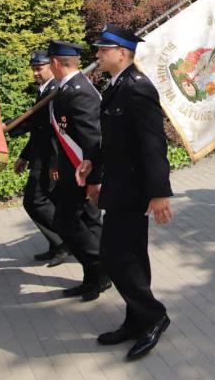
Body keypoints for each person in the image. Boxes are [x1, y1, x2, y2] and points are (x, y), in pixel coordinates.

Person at [78, 24, 172, 360]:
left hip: (134, 190)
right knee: (131, 255)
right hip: (119, 187)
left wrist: (160, 193)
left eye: (103, 50)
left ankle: (154, 315)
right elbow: (112, 139)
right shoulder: (116, 86)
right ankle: (136, 320)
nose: (98, 55)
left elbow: (154, 144)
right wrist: (92, 162)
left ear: (122, 53)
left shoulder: (138, 88)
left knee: (116, 256)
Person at [47, 40, 109, 301]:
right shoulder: (67, 88)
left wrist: (94, 179)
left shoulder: (79, 91)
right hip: (73, 170)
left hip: (82, 172)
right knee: (87, 223)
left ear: (54, 63)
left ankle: (102, 268)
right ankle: (93, 278)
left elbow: (93, 139)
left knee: (65, 222)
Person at [10, 51, 67, 266]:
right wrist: (24, 156)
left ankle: (65, 241)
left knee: (35, 201)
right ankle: (57, 244)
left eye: (39, 68)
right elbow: (38, 130)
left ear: (51, 66)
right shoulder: (44, 90)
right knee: (47, 201)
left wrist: (54, 163)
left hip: (50, 159)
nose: (35, 73)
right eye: (33, 68)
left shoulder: (55, 91)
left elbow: (56, 132)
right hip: (40, 156)